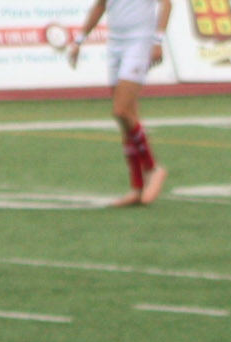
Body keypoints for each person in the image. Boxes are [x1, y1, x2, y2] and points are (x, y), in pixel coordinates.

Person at [68, 0, 171, 206]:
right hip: (116, 43)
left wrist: (158, 40)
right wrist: (79, 41)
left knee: (121, 111)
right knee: (127, 120)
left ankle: (153, 168)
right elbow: (100, 6)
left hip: (139, 42)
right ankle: (137, 187)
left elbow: (166, 4)